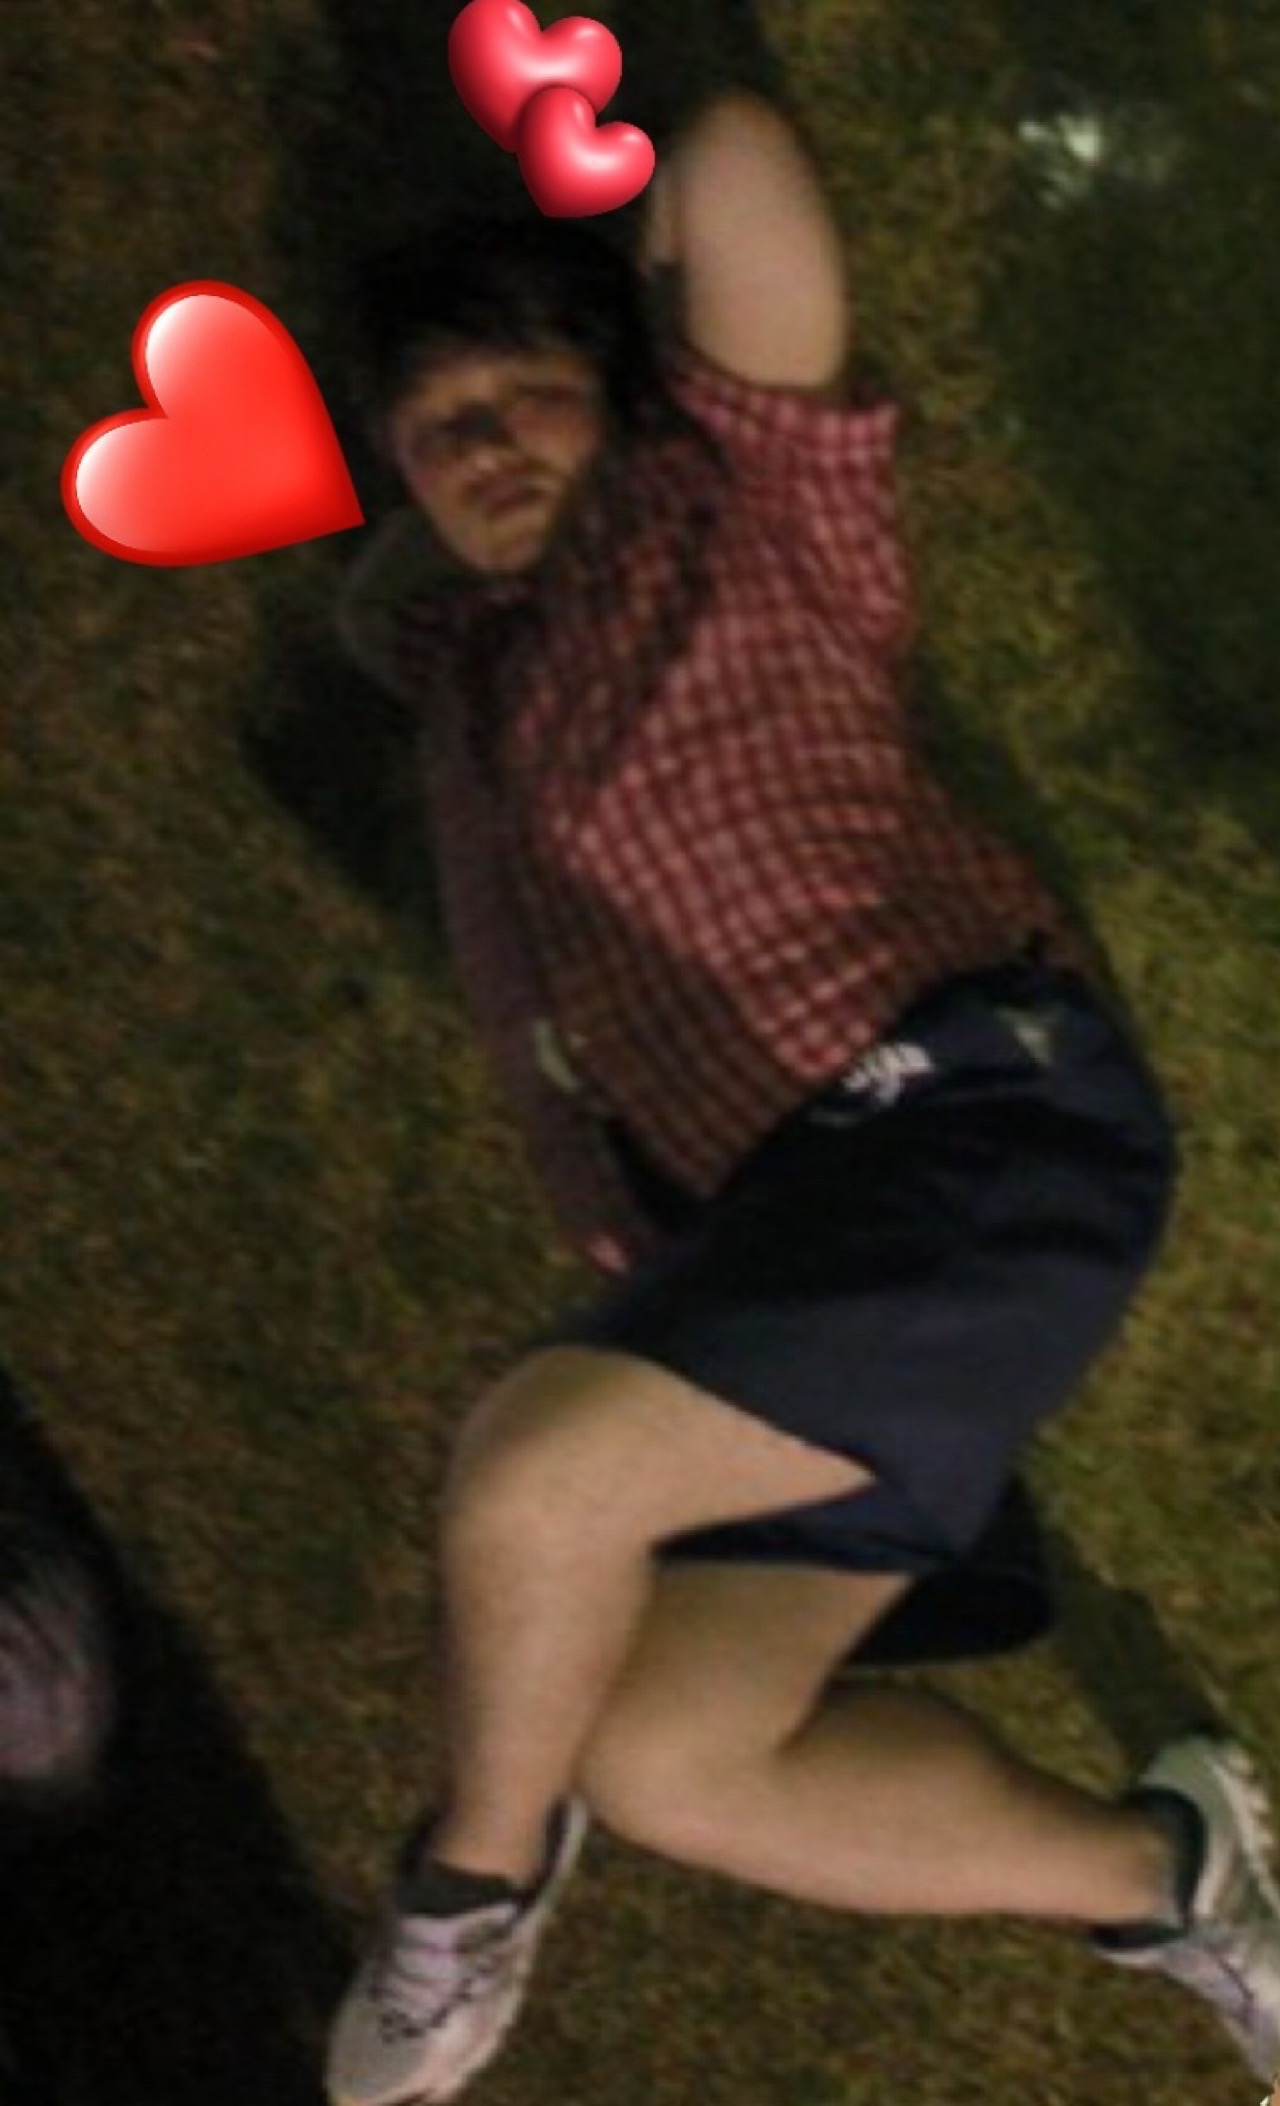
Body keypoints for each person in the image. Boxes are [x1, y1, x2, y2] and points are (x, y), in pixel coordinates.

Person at [328, 84, 1280, 2105]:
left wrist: (629, 254)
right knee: (670, 1752)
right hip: (792, 1250)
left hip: (970, 1115)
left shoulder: (743, 511)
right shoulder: (468, 677)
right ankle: (1172, 1874)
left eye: (523, 393)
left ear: (627, 391)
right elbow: (382, 638)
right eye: (436, 429)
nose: (482, 443)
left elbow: (742, 158)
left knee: (533, 1483)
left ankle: (468, 1887)